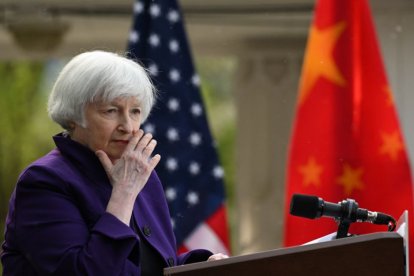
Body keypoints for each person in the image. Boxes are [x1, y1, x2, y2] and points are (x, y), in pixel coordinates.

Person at [1, 50, 228, 275]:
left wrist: (201, 264)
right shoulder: (44, 182)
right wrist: (123, 195)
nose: (128, 126)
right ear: (73, 115)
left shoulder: (141, 175)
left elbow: (141, 267)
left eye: (135, 111)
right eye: (111, 111)